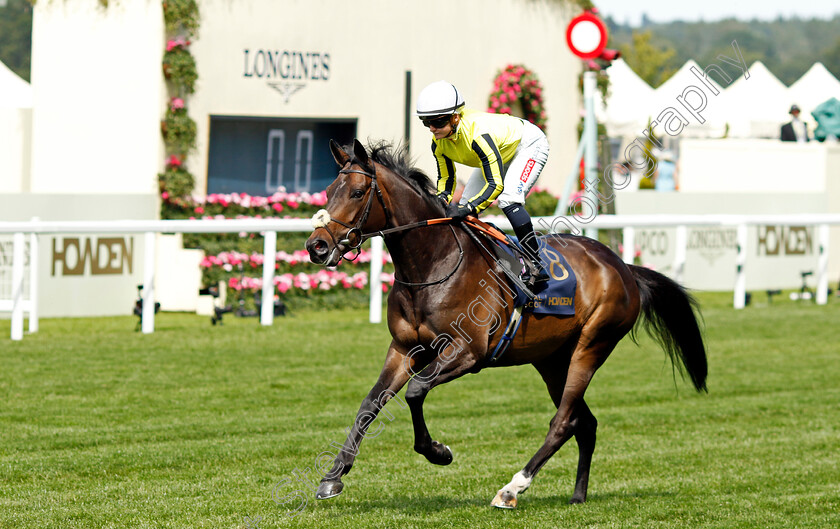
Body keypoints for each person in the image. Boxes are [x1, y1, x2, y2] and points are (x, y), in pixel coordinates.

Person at [416, 80, 549, 285]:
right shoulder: (439, 142)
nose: (432, 128)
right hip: (499, 151)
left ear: (455, 117)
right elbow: (447, 178)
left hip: (527, 144)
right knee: (466, 206)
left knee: (508, 199)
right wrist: (441, 200)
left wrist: (468, 208)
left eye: (438, 122)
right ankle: (489, 261)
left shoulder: (477, 135)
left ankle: (535, 264)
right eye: (426, 122)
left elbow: (496, 184)